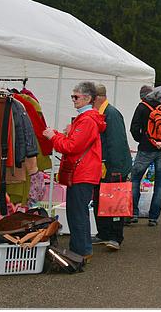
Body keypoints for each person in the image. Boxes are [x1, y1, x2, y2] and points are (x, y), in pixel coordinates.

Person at [42, 81, 105, 261]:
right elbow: (75, 144)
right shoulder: (88, 119)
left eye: (75, 97)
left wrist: (53, 136)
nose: (73, 100)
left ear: (87, 98)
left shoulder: (86, 120)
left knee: (77, 212)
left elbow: (71, 147)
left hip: (82, 173)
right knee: (78, 211)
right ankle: (81, 249)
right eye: (73, 96)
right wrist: (59, 135)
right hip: (84, 171)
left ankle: (81, 251)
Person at [91, 83, 132, 252]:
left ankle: (115, 236)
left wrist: (116, 169)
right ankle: (104, 233)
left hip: (114, 166)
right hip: (102, 166)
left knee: (115, 202)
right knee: (100, 200)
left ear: (97, 98)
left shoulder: (111, 114)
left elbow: (116, 143)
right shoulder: (100, 113)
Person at [129, 86, 161, 226]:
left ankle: (133, 213)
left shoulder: (142, 107)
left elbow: (134, 128)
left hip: (146, 149)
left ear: (144, 96)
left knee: (135, 180)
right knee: (159, 185)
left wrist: (142, 139)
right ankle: (153, 218)